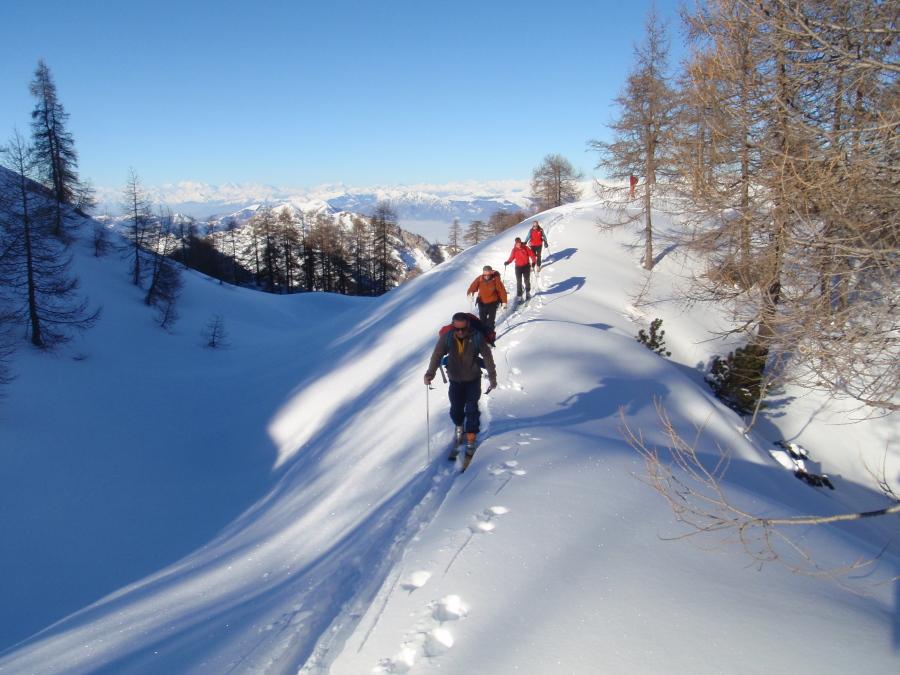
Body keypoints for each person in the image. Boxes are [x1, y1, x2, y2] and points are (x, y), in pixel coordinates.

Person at [424, 312, 497, 455]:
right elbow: (437, 355)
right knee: (456, 409)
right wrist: (430, 374)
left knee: (471, 408)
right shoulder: (448, 337)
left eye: (463, 329)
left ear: (468, 325)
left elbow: (488, 358)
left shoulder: (476, 337)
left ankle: (471, 435)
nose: (460, 332)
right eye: (457, 329)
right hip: (455, 380)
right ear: (453, 326)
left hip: (473, 379)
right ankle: (459, 426)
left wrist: (493, 378)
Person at [467, 265, 508, 333]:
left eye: (488, 274)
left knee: (491, 321)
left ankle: (490, 335)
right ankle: (484, 336)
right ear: (483, 273)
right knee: (482, 321)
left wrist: (504, 302)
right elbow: (472, 287)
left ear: (491, 273)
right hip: (482, 302)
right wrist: (470, 294)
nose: (486, 276)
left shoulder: (495, 279)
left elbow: (502, 291)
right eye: (485, 274)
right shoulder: (479, 279)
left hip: (493, 302)